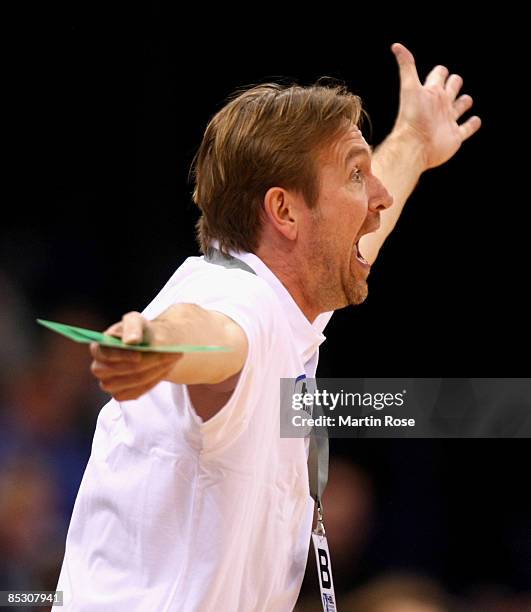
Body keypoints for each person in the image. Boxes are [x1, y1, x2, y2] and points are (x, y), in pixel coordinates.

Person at [54, 43, 480, 610]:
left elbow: (362, 234)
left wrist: (415, 141)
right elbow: (210, 335)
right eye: (357, 176)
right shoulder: (241, 302)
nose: (379, 195)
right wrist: (154, 346)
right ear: (285, 213)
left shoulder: (285, 299)